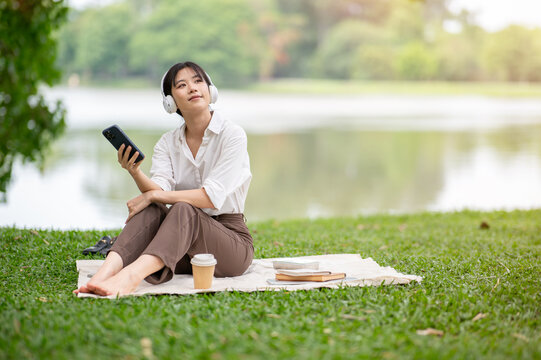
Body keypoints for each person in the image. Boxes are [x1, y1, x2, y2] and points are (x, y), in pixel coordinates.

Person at [74, 61, 254, 296]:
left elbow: (211, 197)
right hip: (182, 246)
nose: (192, 88)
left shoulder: (233, 135)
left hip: (230, 246)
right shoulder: (167, 143)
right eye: (182, 85)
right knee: (153, 208)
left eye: (198, 81)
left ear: (211, 91)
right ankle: (103, 274)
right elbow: (157, 190)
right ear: (170, 102)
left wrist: (154, 195)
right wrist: (134, 171)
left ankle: (130, 277)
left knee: (182, 208)